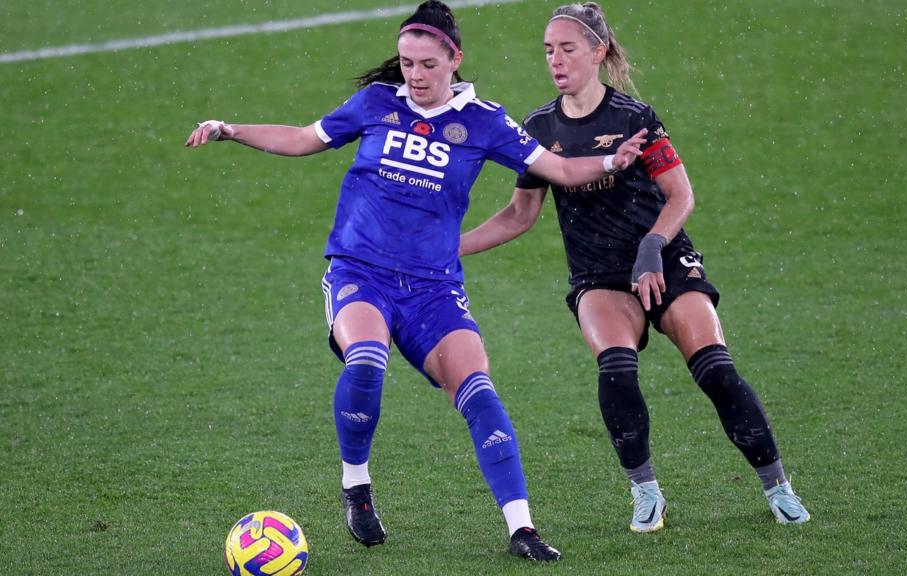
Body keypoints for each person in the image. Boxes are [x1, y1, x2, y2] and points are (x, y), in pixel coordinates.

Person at [185, 0, 648, 561]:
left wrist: (609, 163)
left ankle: (521, 528)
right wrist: (230, 129)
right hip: (361, 272)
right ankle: (356, 487)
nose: (415, 75)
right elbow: (304, 138)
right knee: (366, 360)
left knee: (478, 391)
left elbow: (563, 171)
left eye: (427, 64)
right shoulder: (376, 104)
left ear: (455, 59)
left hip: (433, 287)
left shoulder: (486, 122)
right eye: (406, 63)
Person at [460, 1, 810, 533]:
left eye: (568, 49)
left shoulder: (634, 118)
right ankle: (646, 493)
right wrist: (448, 246)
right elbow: (519, 214)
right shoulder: (538, 127)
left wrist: (651, 249)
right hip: (599, 274)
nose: (556, 60)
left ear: (598, 52)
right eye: (549, 50)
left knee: (715, 369)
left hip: (663, 256)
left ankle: (777, 485)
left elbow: (681, 195)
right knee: (617, 372)